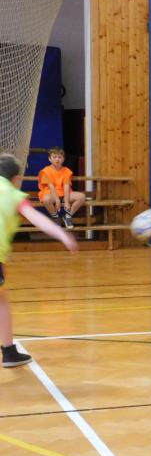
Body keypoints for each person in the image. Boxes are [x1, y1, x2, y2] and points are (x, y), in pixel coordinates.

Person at [0, 153, 78, 368]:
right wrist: (62, 235)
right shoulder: (15, 196)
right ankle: (9, 352)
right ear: (16, 178)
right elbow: (38, 219)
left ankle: (9, 352)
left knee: (1, 300)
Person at [38, 147, 85, 229]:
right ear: (50, 159)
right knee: (46, 199)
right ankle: (55, 217)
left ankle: (68, 216)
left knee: (81, 196)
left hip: (64, 193)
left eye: (59, 157)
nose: (57, 159)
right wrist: (57, 200)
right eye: (54, 157)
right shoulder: (45, 171)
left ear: (63, 159)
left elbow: (66, 186)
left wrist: (66, 201)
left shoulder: (66, 171)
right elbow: (51, 187)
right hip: (51, 193)